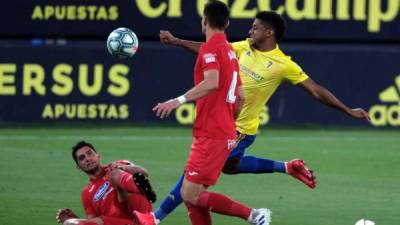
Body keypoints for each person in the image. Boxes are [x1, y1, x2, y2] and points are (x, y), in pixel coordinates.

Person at [154, 10, 371, 224]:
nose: (250, 30)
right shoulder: (244, 47)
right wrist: (176, 41)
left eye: (255, 27)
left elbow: (315, 90)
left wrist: (347, 110)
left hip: (240, 130)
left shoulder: (283, 64)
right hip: (224, 124)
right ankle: (288, 167)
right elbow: (209, 51)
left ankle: (156, 217)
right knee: (228, 167)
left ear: (269, 32)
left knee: (191, 180)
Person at [153, 1, 271, 225]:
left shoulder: (210, 48)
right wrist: (229, 121)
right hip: (223, 132)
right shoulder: (230, 51)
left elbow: (212, 82)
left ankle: (254, 215)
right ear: (226, 23)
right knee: (192, 195)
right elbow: (241, 96)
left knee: (190, 194)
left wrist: (177, 101)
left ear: (204, 21)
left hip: (212, 133)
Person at [56, 141, 157, 225]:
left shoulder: (117, 165)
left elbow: (144, 173)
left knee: (115, 174)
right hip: (121, 222)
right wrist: (76, 220)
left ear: (98, 156)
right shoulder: (86, 193)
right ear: (79, 167)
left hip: (140, 212)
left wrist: (125, 167)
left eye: (90, 153)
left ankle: (142, 189)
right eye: (82, 158)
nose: (87, 158)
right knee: (71, 223)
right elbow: (95, 221)